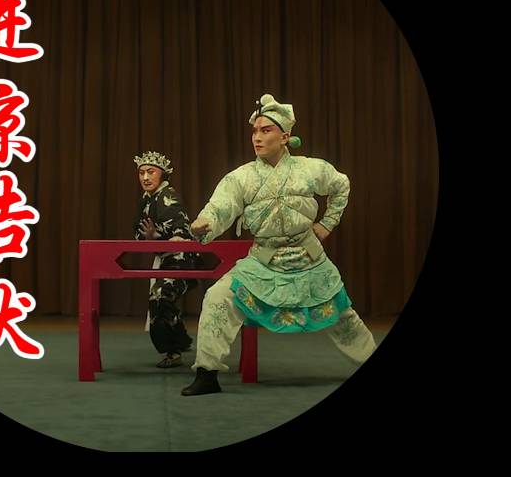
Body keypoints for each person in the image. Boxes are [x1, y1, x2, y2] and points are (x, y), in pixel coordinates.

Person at [181, 94, 377, 396]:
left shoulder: (310, 169)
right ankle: (207, 373)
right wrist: (205, 222)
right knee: (218, 297)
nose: (257, 138)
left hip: (309, 258)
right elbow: (221, 206)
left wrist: (327, 223)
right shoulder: (241, 177)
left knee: (343, 315)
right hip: (263, 261)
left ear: (285, 137)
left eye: (266, 130)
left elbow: (341, 185)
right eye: (254, 131)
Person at [133, 150, 199, 368]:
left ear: (162, 174)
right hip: (165, 258)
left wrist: (158, 236)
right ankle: (178, 344)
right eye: (141, 172)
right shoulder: (146, 200)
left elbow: (182, 232)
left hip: (181, 258)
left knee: (160, 298)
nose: (145, 177)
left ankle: (175, 348)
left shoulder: (168, 197)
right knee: (160, 300)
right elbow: (140, 233)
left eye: (151, 172)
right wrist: (151, 237)